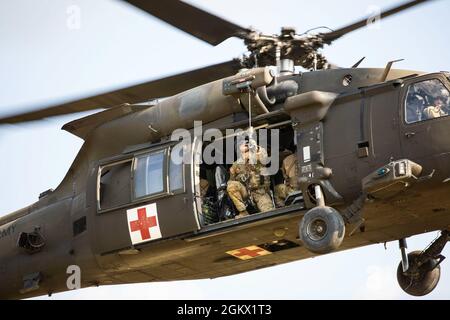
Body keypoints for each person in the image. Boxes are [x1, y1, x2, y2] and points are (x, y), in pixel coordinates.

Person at [227, 138, 274, 218]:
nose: (245, 144)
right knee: (231, 186)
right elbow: (231, 182)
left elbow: (264, 157)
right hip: (246, 194)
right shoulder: (235, 165)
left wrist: (256, 147)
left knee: (270, 215)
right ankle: (243, 211)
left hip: (260, 193)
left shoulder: (256, 156)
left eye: (246, 143)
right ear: (238, 148)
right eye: (242, 143)